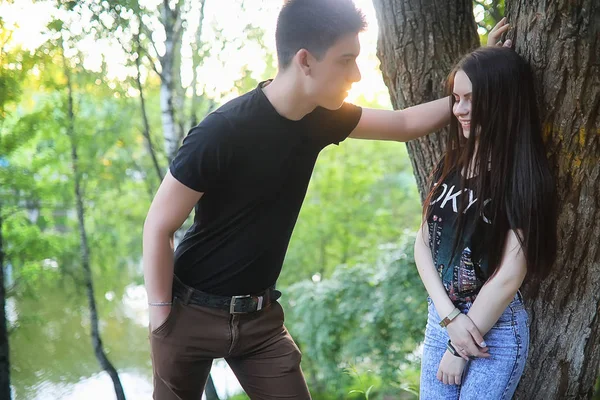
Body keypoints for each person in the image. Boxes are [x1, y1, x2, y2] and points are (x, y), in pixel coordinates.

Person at [143, 0, 508, 398]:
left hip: (259, 321)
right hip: (189, 311)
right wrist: (161, 316)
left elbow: (403, 124)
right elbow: (159, 225)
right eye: (345, 60)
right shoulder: (221, 132)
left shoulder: (321, 117)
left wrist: (476, 83)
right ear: (305, 61)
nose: (356, 73)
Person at [414, 42, 557, 398]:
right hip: (442, 321)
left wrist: (458, 347)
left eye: (471, 99)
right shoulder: (449, 165)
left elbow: (510, 273)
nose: (460, 110)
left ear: (502, 101)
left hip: (494, 332)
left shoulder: (522, 177)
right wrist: (448, 319)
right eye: (456, 99)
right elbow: (423, 244)